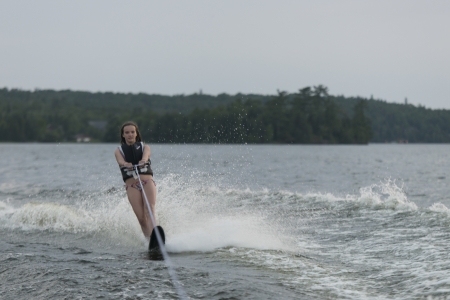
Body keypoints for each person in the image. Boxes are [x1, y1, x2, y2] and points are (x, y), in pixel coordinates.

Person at [114, 121, 157, 238]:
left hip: (147, 182)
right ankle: (149, 241)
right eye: (127, 132)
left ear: (136, 133)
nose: (130, 135)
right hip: (132, 186)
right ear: (123, 135)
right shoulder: (119, 151)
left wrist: (143, 160)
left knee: (149, 210)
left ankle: (155, 235)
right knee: (141, 218)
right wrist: (125, 163)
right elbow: (120, 161)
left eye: (132, 132)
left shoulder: (145, 147)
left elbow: (146, 155)